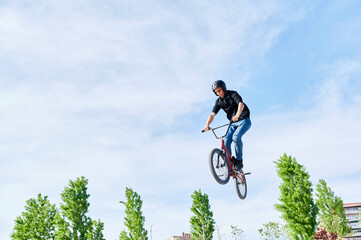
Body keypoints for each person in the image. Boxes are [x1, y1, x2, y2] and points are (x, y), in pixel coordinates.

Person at [203, 80, 251, 171]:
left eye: (219, 90)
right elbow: (212, 114)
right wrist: (207, 125)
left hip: (244, 120)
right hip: (232, 124)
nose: (219, 93)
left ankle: (239, 162)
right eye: (216, 92)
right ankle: (230, 163)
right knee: (226, 141)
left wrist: (237, 115)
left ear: (223, 88)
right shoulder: (218, 102)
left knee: (236, 137)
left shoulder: (232, 94)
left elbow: (241, 104)